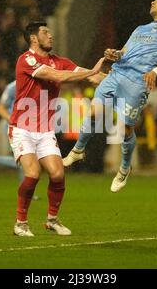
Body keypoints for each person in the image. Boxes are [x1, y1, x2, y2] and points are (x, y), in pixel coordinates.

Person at [63, 0, 157, 192]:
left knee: (126, 128)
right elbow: (124, 53)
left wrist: (155, 71)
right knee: (94, 112)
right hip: (117, 73)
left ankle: (124, 169)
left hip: (138, 80)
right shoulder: (140, 28)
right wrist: (114, 54)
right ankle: (78, 150)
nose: (153, 1)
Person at [9, 21, 104, 236]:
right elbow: (57, 76)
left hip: (45, 131)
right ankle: (20, 223)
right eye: (45, 33)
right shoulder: (27, 60)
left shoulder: (59, 61)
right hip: (22, 128)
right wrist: (92, 71)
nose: (50, 36)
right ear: (33, 38)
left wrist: (121, 81)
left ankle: (52, 219)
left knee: (58, 173)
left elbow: (93, 76)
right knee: (33, 174)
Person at [0, 80, 40, 200]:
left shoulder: (35, 85)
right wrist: (12, 120)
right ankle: (27, 194)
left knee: (26, 161)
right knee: (25, 160)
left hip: (28, 127)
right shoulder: (12, 87)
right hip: (14, 127)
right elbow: (0, 109)